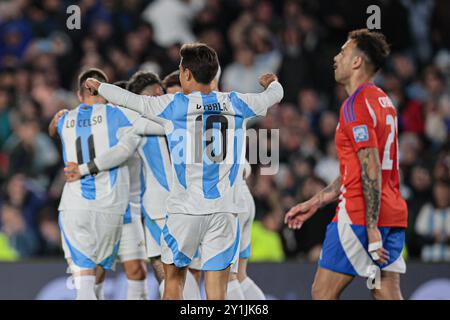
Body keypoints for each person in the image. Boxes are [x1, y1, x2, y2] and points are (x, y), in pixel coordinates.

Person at [85, 43, 283, 300]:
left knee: (174, 283)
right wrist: (272, 81)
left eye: (180, 70)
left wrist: (99, 86)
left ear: (187, 74)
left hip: (184, 211)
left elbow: (130, 100)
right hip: (225, 210)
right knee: (217, 293)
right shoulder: (238, 102)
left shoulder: (175, 106)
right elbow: (274, 96)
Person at [285, 29, 408, 300]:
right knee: (386, 291)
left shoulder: (356, 105)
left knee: (322, 294)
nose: (336, 58)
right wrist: (317, 200)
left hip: (360, 214)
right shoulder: (383, 101)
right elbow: (356, 168)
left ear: (356, 62)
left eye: (342, 52)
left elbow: (371, 166)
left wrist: (371, 225)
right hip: (392, 211)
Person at [65, 71, 201, 299]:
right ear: (158, 92)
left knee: (170, 277)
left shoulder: (134, 119)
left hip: (160, 208)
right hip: (195, 204)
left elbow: (121, 151)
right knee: (191, 274)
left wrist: (82, 168)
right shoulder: (182, 117)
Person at [49, 68, 163, 300]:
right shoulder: (119, 114)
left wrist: (54, 121)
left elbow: (54, 128)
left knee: (88, 281)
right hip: (109, 207)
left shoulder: (66, 119)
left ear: (80, 95)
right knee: (95, 277)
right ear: (105, 90)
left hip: (82, 207)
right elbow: (158, 126)